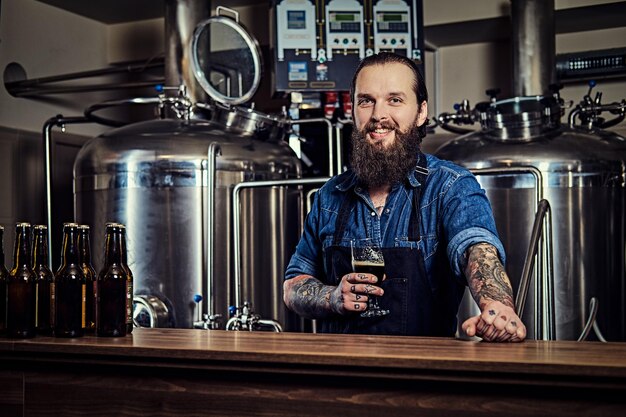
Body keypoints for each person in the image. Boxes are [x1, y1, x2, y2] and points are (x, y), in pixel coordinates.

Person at [283, 52, 526, 342]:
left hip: (422, 374)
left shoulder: (450, 186)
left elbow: (476, 249)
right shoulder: (329, 196)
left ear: (421, 112)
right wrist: (332, 296)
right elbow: (293, 285)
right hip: (339, 373)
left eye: (394, 100)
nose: (378, 116)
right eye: (366, 100)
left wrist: (496, 306)